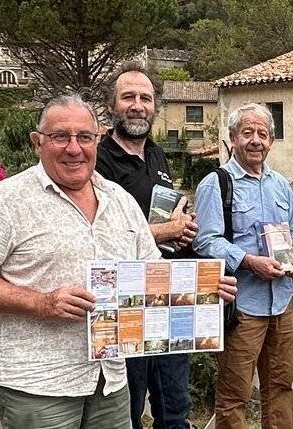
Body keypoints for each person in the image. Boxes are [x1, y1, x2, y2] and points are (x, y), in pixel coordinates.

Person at [0, 96, 237, 429]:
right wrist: (40, 302)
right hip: (39, 386)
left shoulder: (120, 200)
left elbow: (150, 275)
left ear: (97, 140)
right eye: (60, 137)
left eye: (84, 137)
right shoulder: (5, 200)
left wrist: (201, 289)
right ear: (36, 141)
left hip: (110, 380)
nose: (74, 148)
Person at [95, 62, 200, 429]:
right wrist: (168, 231)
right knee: (129, 406)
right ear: (113, 105)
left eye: (145, 98)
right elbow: (101, 235)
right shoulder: (98, 161)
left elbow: (160, 215)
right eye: (129, 97)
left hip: (168, 299)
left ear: (155, 106)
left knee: (175, 406)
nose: (137, 105)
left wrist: (183, 225)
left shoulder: (156, 154)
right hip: (124, 303)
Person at [194, 102, 293, 429]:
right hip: (242, 306)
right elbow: (205, 240)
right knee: (235, 395)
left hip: (281, 303)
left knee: (281, 388)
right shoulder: (216, 183)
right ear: (232, 138)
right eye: (247, 133)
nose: (255, 140)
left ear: (271, 140)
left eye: (262, 134)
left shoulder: (281, 185)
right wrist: (247, 261)